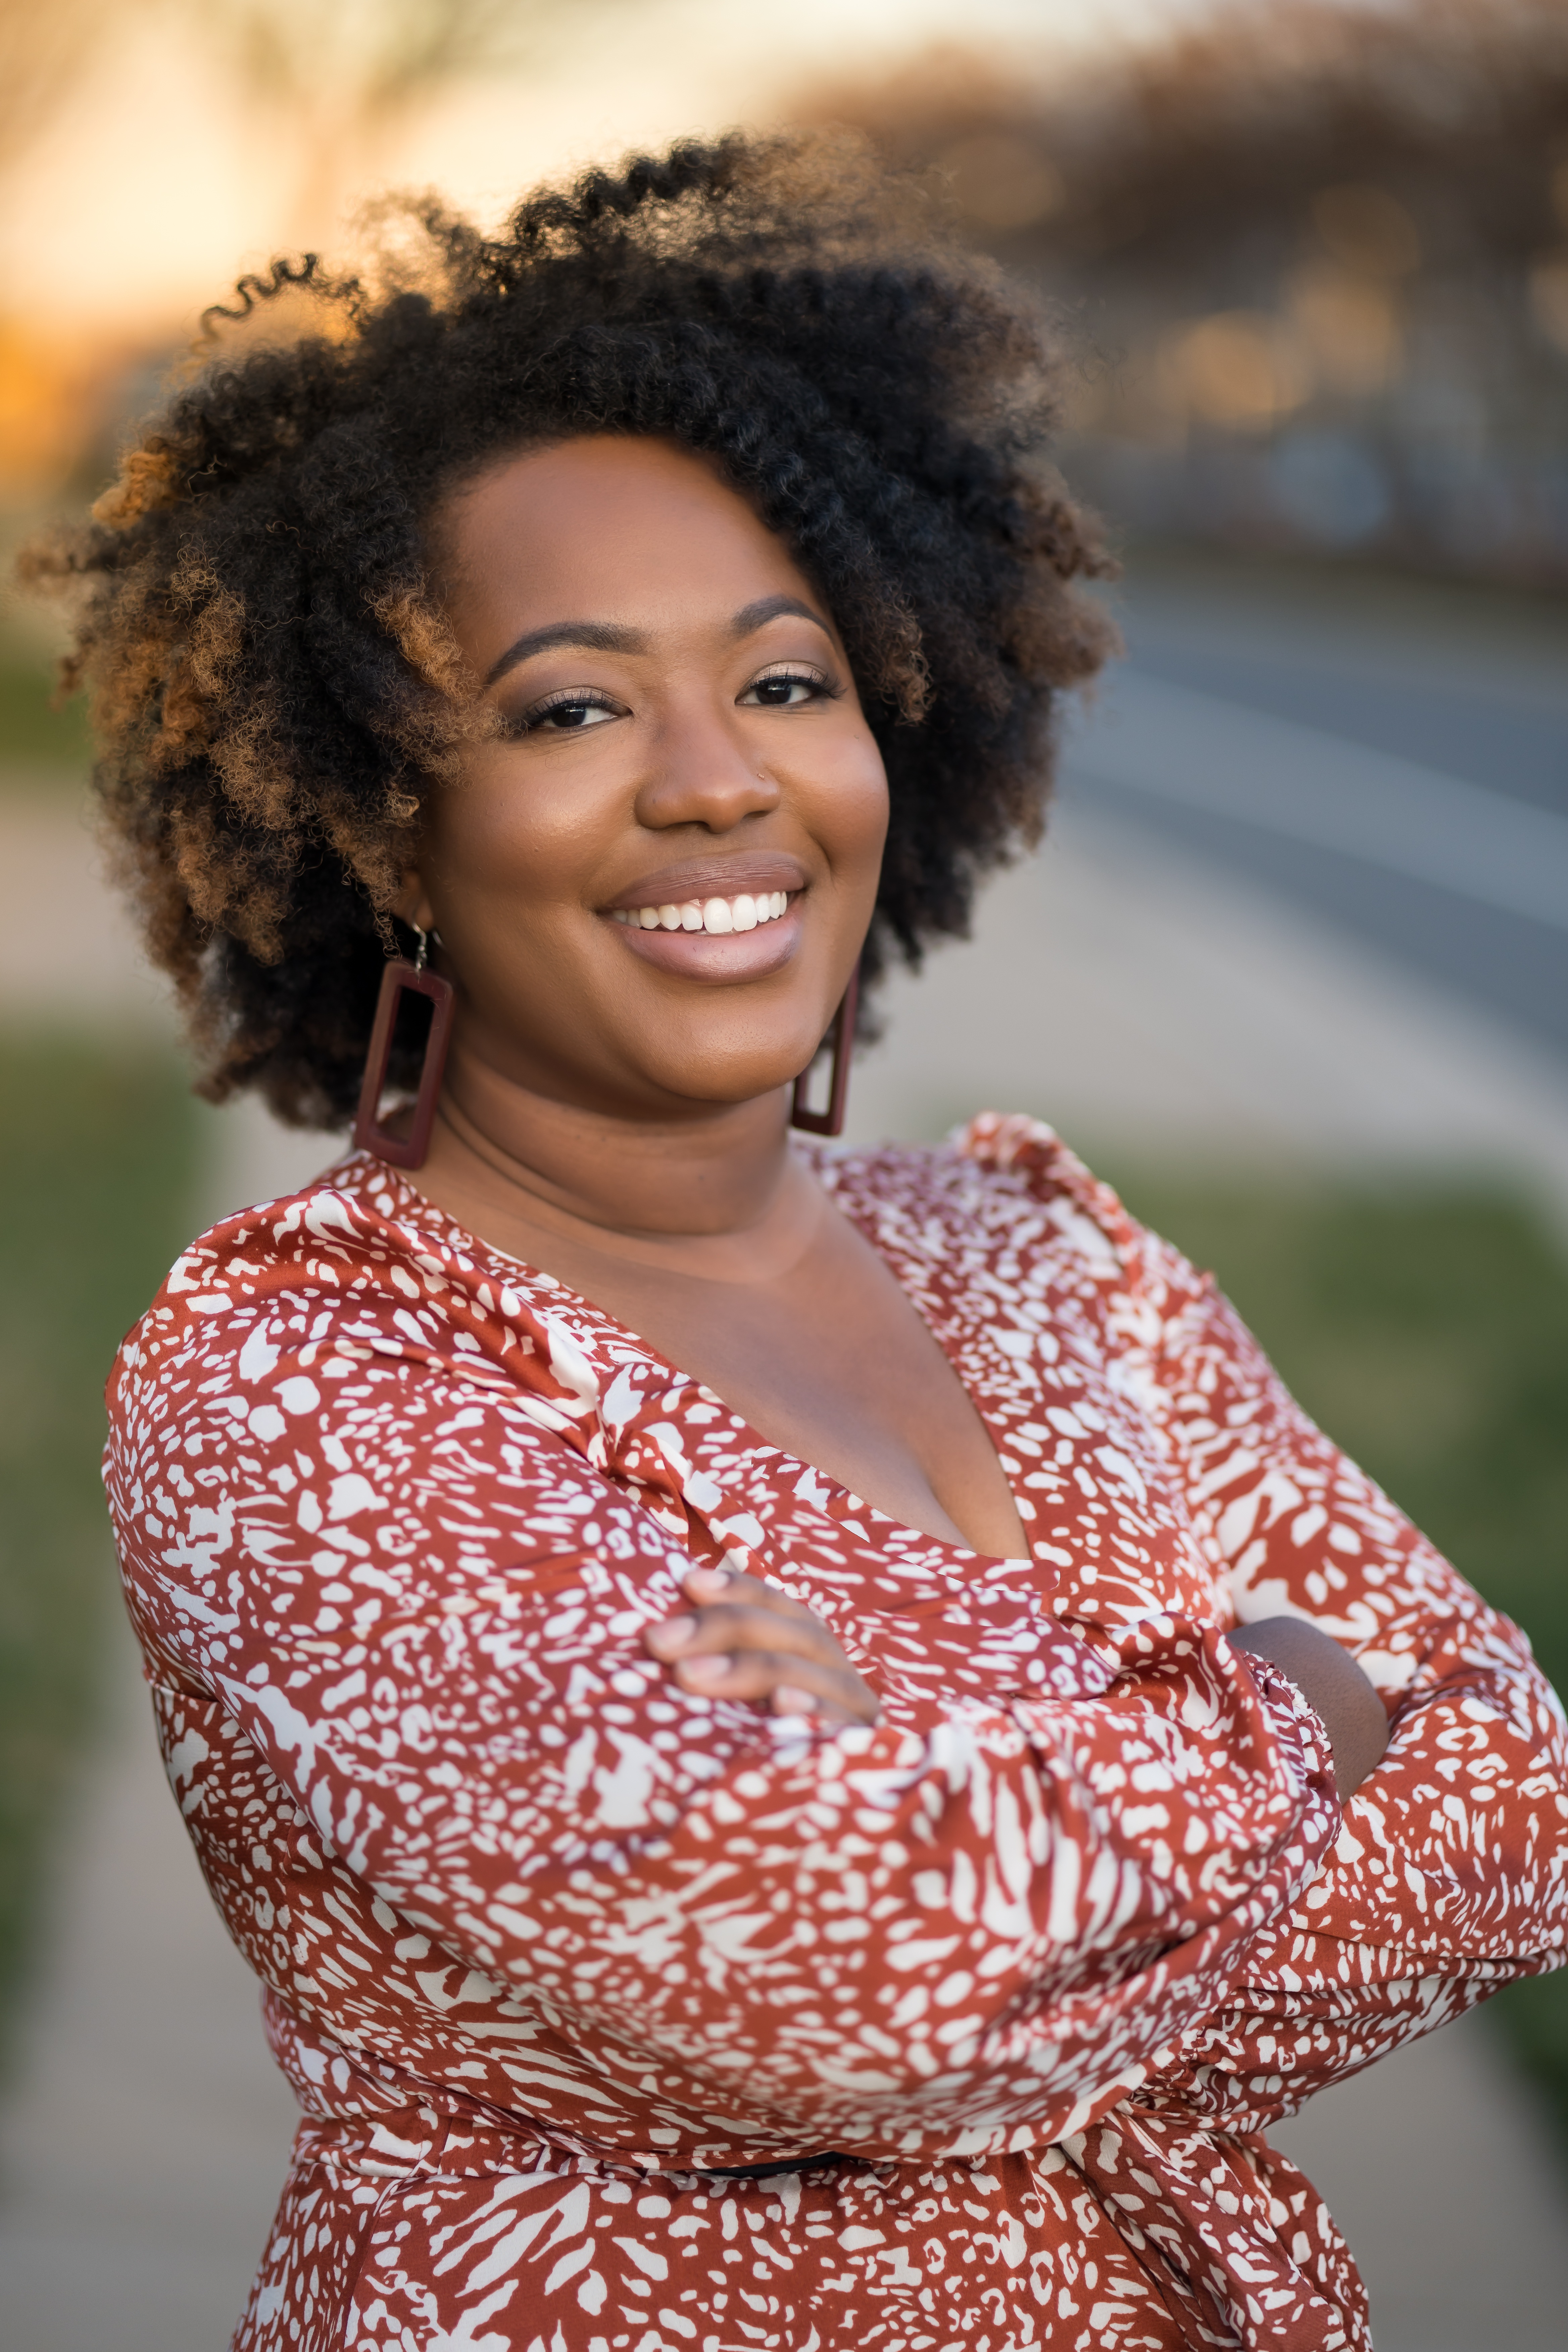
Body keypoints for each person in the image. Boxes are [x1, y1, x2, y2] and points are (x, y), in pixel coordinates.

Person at [29, 135, 1567, 2352]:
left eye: (784, 678)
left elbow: (1506, 1794)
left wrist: (947, 1800)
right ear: (382, 825)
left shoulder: (1050, 1254)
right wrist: (1288, 1707)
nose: (716, 781)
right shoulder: (309, 1380)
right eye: (569, 707)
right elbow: (828, 1969)